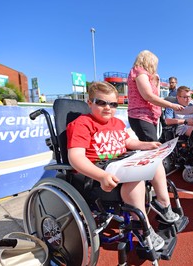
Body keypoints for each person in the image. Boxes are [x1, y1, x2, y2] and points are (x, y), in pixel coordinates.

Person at [67, 81, 180, 250]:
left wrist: (146, 145)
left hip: (120, 162)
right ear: (90, 103)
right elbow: (75, 158)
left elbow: (127, 141)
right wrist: (102, 176)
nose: (108, 108)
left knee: (154, 163)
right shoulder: (82, 124)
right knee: (136, 180)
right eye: (101, 102)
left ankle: (163, 205)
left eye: (113, 104)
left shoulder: (117, 123)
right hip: (97, 172)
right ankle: (142, 227)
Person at [127, 50, 184, 141]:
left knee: (150, 145)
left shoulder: (147, 76)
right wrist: (172, 105)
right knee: (152, 146)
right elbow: (148, 96)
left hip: (150, 117)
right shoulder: (139, 71)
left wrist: (156, 82)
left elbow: (155, 95)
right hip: (141, 115)